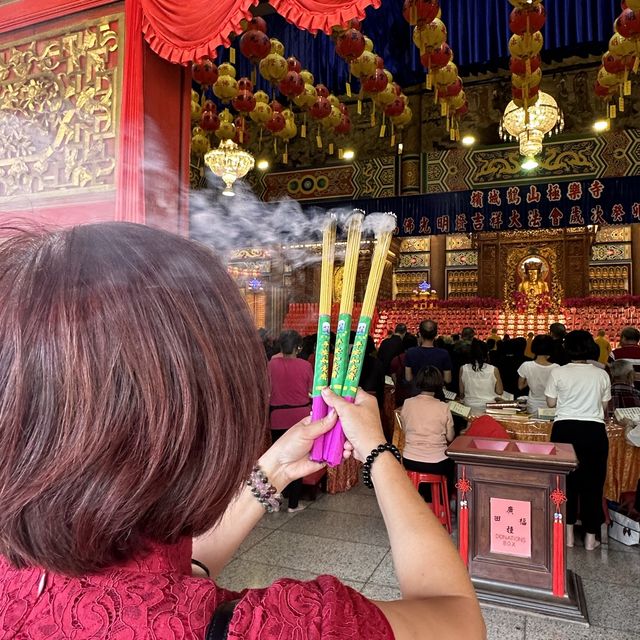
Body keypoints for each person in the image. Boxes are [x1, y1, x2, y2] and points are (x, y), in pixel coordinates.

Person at [0, 223, 485, 640]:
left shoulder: (22, 580)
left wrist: (273, 469)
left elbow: (169, 577)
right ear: (209, 420)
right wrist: (378, 452)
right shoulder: (283, 626)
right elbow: (456, 615)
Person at [545, 330, 611, 551]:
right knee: (593, 484)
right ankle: (591, 537)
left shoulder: (559, 372)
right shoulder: (601, 374)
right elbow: (604, 408)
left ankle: (568, 535)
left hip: (564, 429)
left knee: (566, 484)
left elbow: (551, 403)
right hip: (594, 430)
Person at [268, 329, 313, 512]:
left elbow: (267, 391)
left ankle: (275, 500)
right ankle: (293, 504)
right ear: (298, 347)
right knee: (297, 459)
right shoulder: (305, 366)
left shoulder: (270, 365)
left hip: (277, 417)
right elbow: (310, 390)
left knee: (278, 460)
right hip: (300, 418)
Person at [400, 367, 456, 499]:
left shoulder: (407, 403)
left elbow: (404, 429)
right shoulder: (443, 407)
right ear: (439, 383)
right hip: (437, 462)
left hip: (410, 460)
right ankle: (440, 503)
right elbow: (450, 437)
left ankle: (420, 499)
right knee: (451, 467)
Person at [517, 335, 560, 415]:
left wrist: (529, 379)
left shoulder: (526, 365)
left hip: (533, 406)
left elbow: (520, 386)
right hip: (551, 407)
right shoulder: (556, 367)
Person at [459, 341, 504, 416]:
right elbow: (499, 391)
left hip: (469, 408)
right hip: (488, 407)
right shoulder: (493, 369)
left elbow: (461, 392)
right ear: (486, 353)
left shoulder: (463, 368)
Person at [405, 320, 452, 386]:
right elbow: (447, 379)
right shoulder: (444, 353)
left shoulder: (410, 352)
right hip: (436, 392)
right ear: (436, 334)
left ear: (420, 334)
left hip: (417, 391)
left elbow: (408, 378)